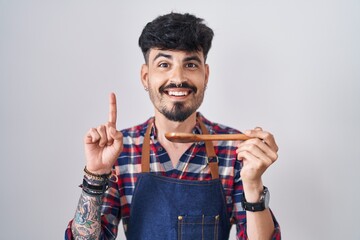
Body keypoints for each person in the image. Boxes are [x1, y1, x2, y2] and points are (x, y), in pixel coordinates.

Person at [65, 12, 281, 240]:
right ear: (145, 76)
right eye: (164, 64)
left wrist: (253, 184)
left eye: (190, 64)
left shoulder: (233, 148)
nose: (177, 77)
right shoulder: (121, 149)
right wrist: (96, 177)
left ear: (205, 75)